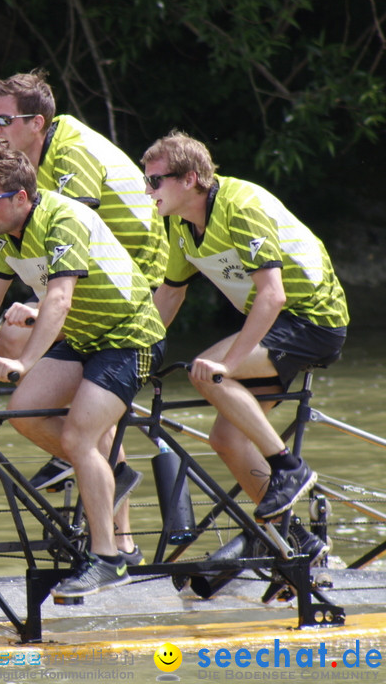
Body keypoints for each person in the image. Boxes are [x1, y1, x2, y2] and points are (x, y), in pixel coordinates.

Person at [0, 144, 167, 597]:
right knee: (26, 409)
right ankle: (107, 475)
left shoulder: (63, 219)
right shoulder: (6, 233)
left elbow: (58, 299)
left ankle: (109, 558)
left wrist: (23, 361)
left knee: (79, 437)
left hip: (130, 337)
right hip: (85, 340)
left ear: (20, 197)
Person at [143, 131, 347, 562]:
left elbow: (273, 296)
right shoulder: (180, 226)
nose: (148, 191)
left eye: (156, 181)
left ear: (190, 179)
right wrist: (135, 352)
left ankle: (290, 468)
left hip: (313, 319)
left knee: (210, 370)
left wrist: (229, 365)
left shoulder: (241, 206)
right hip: (278, 322)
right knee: (226, 438)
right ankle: (290, 539)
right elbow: (169, 295)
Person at [0, 69, 169, 493]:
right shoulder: (27, 164)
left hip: (131, 277)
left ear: (36, 123)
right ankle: (85, 460)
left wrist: (38, 301)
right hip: (89, 274)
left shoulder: (69, 153)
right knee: (10, 337)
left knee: (24, 337)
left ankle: (87, 459)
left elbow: (72, 235)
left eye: (3, 121)